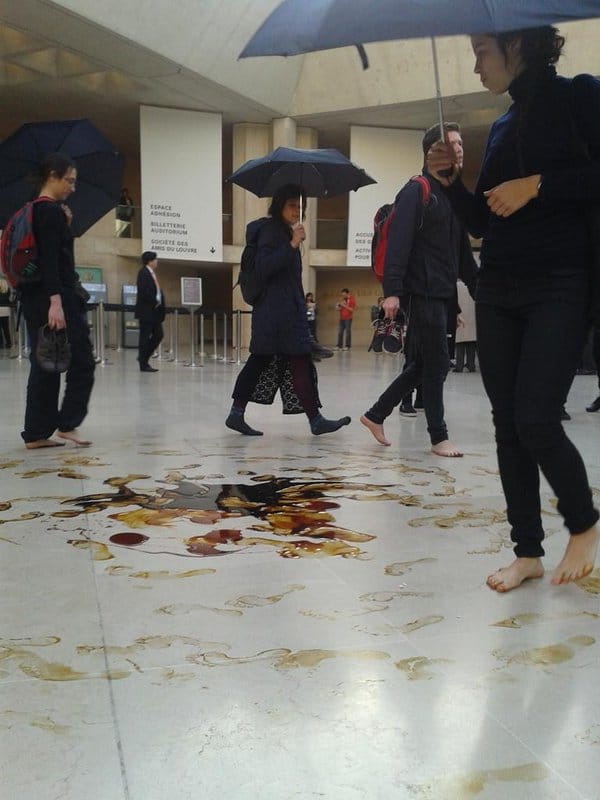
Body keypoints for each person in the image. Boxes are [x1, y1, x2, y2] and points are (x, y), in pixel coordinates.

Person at [428, 26, 600, 590]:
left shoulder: (579, 97)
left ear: (517, 47)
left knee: (536, 418)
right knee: (508, 426)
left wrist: (539, 185)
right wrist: (451, 184)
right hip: (499, 287)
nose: (476, 66)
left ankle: (584, 522)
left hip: (560, 282)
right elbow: (483, 219)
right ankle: (527, 550)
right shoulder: (501, 126)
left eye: (481, 52)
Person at [360, 122, 477, 456]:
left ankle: (376, 414)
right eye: (451, 145)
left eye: (461, 146)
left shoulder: (452, 197)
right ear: (432, 153)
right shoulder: (417, 190)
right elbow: (398, 243)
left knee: (424, 363)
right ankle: (438, 437)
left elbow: (462, 257)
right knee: (438, 364)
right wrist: (392, 291)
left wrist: (473, 295)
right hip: (419, 291)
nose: (458, 151)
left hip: (440, 295)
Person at [225, 184, 350, 437]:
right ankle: (313, 420)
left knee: (284, 362)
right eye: (291, 205)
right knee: (282, 361)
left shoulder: (284, 231)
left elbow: (288, 278)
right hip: (275, 315)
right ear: (279, 206)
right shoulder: (272, 232)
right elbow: (263, 268)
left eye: (300, 206)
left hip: (284, 313)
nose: (297, 210)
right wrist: (292, 243)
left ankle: (238, 413)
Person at [19, 152, 95, 449]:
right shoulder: (49, 212)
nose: (72, 187)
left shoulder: (36, 209)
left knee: (45, 363)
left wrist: (67, 227)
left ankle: (36, 432)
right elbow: (53, 263)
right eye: (69, 180)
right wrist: (56, 303)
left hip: (35, 296)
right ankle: (67, 423)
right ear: (53, 175)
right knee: (83, 361)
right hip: (55, 296)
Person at [135, 251, 165, 373]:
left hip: (154, 312)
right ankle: (143, 363)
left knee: (158, 335)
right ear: (149, 261)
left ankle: (143, 356)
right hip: (147, 312)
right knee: (145, 337)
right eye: (155, 259)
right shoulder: (143, 273)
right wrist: (154, 301)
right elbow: (144, 292)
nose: (157, 261)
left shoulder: (152, 273)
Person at [454, 279, 477, 372]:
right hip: (472, 316)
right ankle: (471, 365)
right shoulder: (474, 285)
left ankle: (459, 366)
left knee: (459, 343)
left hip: (460, 316)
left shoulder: (455, 285)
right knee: (471, 342)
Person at [0, 278, 12, 349]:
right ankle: (9, 343)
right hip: (6, 309)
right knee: (6, 328)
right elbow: (9, 298)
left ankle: (1, 344)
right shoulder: (7, 288)